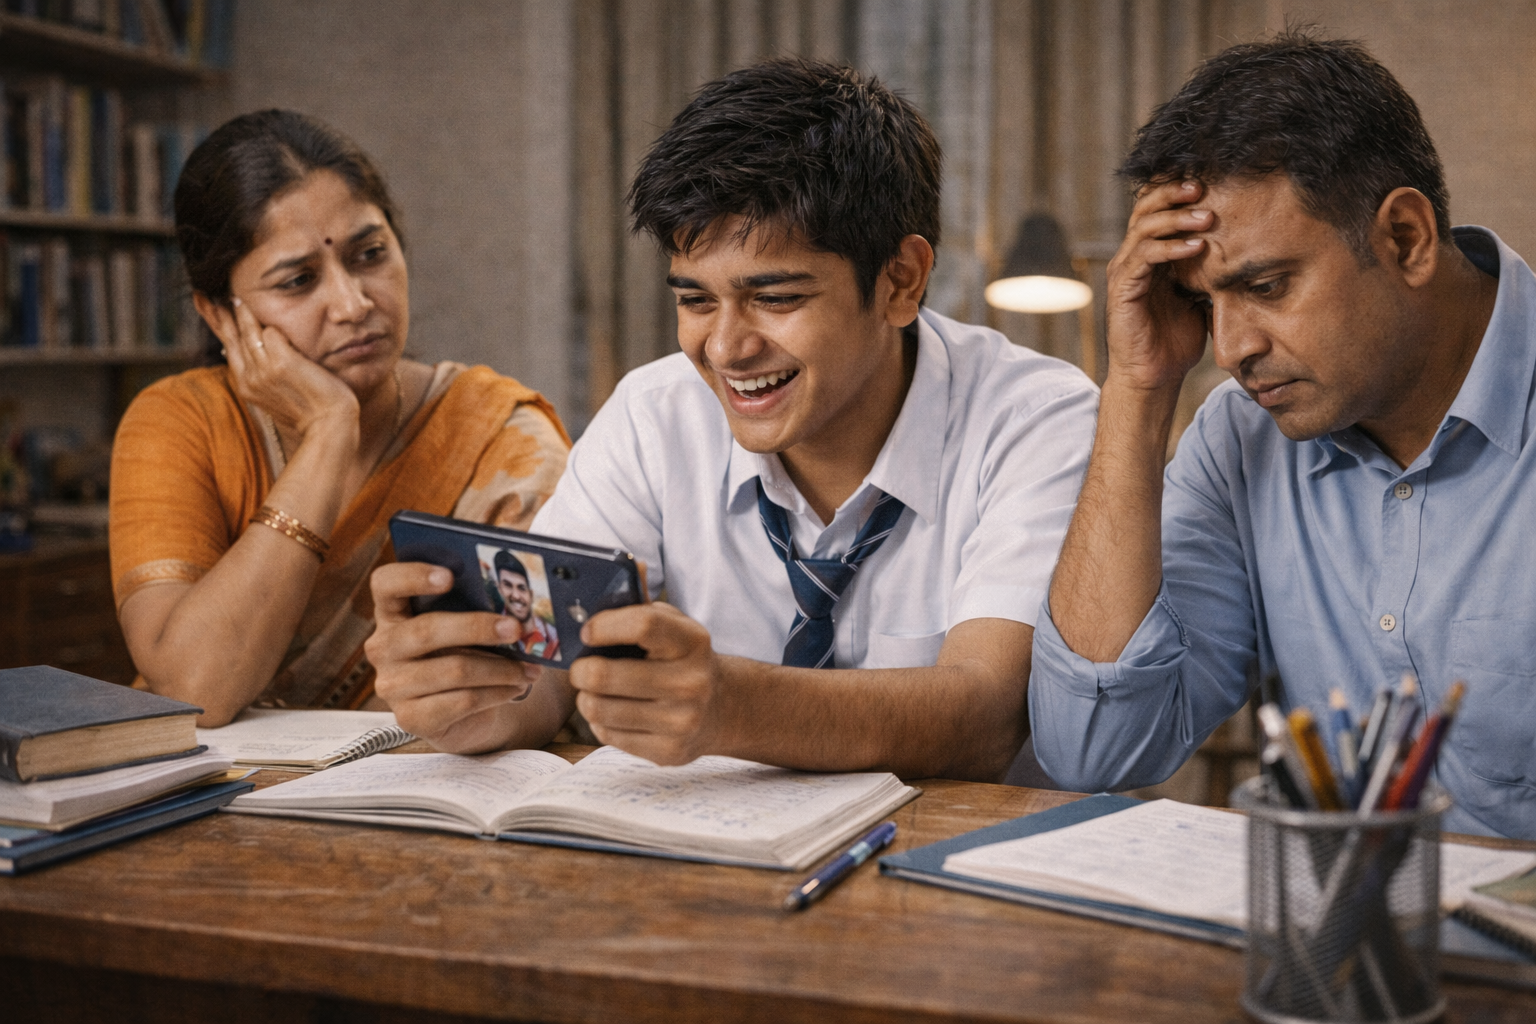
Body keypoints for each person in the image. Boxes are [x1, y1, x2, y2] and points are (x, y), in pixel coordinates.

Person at [367, 58, 1098, 779]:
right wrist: (474, 701)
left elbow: (988, 715)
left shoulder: (1036, 419)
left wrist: (734, 707)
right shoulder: (654, 417)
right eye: (694, 300)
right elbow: (551, 672)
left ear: (900, 281)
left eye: (776, 298)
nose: (725, 348)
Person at [1028, 32, 1534, 838]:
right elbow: (1092, 750)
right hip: (1327, 944)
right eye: (1202, 304)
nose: (1229, 351)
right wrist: (1138, 389)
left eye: (1264, 286)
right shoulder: (1240, 440)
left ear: (1405, 238)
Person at [109, 110, 570, 726]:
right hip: (191, 798)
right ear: (221, 314)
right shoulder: (180, 422)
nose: (353, 304)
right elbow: (196, 687)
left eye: (370, 254)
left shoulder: (498, 436)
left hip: (408, 792)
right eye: (299, 280)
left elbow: (546, 684)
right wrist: (328, 434)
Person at [492, 550, 560, 660]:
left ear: (531, 594)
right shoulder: (492, 631)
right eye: (508, 585)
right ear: (500, 589)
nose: (516, 595)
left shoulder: (553, 635)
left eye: (521, 588)